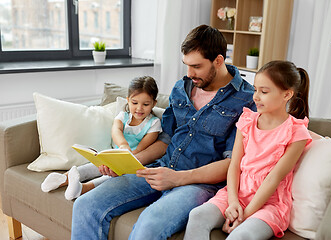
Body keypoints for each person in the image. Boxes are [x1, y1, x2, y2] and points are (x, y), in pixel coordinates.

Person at [71, 24, 256, 240]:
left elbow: (233, 163)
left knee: (149, 225)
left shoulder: (247, 100)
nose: (189, 74)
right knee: (86, 205)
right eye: (186, 65)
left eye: (196, 66)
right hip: (159, 169)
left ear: (218, 60)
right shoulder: (182, 88)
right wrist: (125, 163)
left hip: (199, 185)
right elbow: (165, 140)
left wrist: (177, 179)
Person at [184, 60, 312, 240]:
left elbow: (273, 179)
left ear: (287, 95)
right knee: (197, 216)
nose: (256, 97)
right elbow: (234, 165)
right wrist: (234, 201)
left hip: (269, 203)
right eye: (255, 89)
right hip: (236, 192)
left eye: (264, 91)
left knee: (241, 236)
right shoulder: (247, 120)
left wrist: (244, 214)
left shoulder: (296, 132)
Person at [40, 76, 162, 201]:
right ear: (128, 100)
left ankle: (82, 188)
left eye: (145, 104)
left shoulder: (154, 123)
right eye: (134, 103)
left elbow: (144, 145)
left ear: (154, 103)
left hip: (132, 160)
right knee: (95, 165)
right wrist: (123, 145)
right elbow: (116, 130)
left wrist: (129, 154)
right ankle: (62, 179)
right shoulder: (123, 116)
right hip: (115, 154)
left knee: (112, 176)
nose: (139, 108)